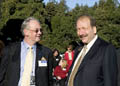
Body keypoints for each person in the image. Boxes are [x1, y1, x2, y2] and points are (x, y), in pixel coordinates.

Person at [66, 15, 117, 86]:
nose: (81, 33)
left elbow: (110, 82)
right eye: (78, 29)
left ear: (94, 29)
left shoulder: (106, 49)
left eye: (84, 28)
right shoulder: (78, 49)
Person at [0, 17, 53, 86]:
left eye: (41, 30)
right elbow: (1, 76)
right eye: (36, 30)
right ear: (26, 32)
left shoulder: (46, 52)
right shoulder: (10, 50)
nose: (40, 33)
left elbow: (49, 80)